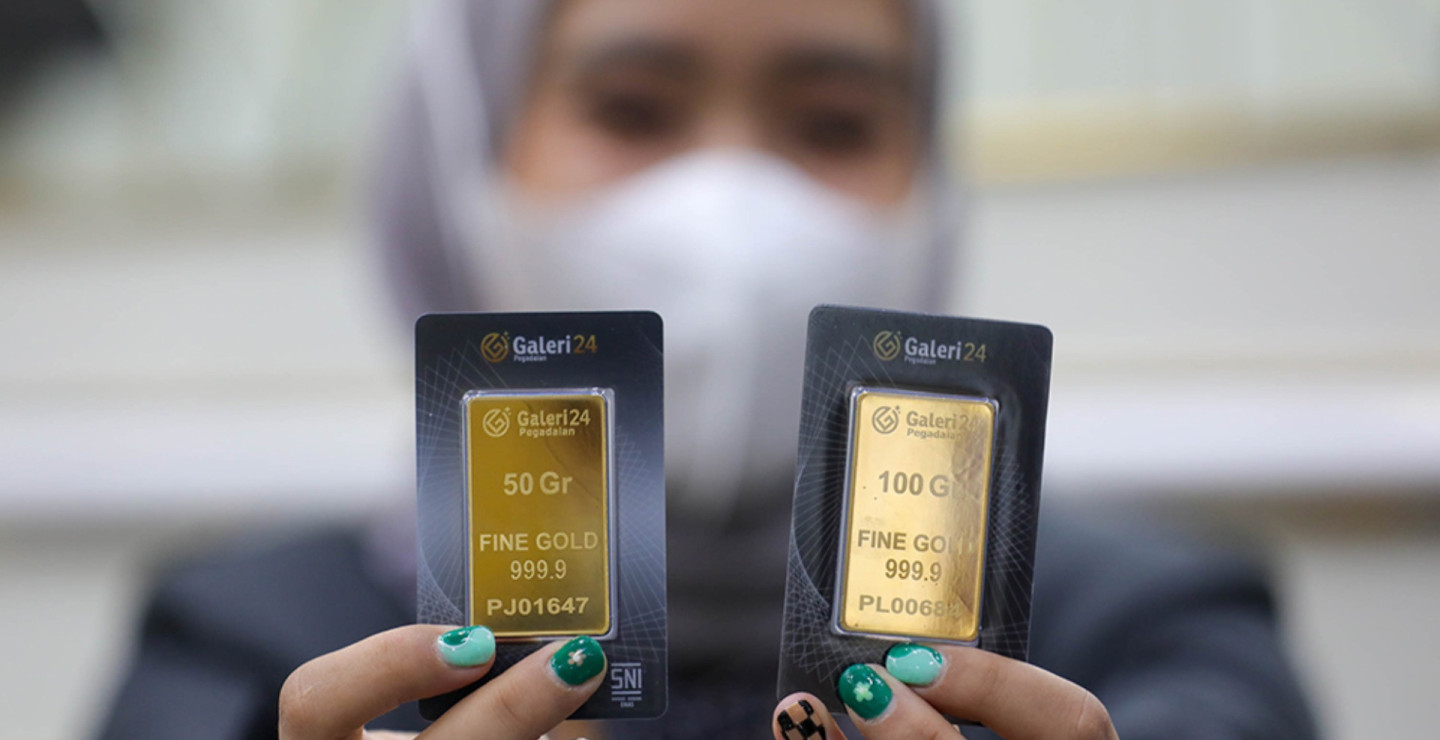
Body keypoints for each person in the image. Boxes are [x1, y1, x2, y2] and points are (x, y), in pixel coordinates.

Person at [97, 1, 1319, 739]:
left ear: (932, 188)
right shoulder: (243, 644)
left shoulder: (1153, 631)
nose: (731, 200)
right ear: (463, 154)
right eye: (632, 107)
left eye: (834, 123)